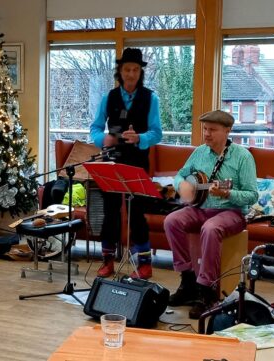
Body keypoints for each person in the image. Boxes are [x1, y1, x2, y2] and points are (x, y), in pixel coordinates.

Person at [164, 110, 258, 319]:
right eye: (205, 129)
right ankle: (187, 280)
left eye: (212, 130)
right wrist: (183, 186)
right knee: (172, 220)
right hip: (200, 209)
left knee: (211, 228)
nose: (206, 134)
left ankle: (207, 290)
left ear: (227, 130)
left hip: (230, 212)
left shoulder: (242, 157)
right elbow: (180, 174)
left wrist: (228, 192)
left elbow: (252, 195)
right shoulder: (199, 152)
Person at [89, 47, 163, 280]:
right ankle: (108, 260)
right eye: (127, 69)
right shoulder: (107, 97)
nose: (131, 74)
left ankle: (144, 264)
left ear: (141, 73)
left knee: (136, 212)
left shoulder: (151, 98)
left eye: (135, 70)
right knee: (110, 212)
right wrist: (104, 139)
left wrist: (140, 138)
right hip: (111, 159)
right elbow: (95, 128)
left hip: (137, 161)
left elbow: (157, 133)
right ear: (119, 72)